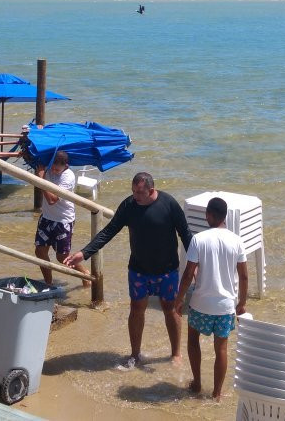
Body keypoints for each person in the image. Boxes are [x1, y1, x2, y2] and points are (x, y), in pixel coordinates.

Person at [64, 171, 192, 369]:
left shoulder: (169, 204)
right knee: (136, 309)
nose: (135, 197)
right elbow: (109, 231)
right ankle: (135, 354)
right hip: (138, 270)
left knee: (171, 309)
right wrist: (84, 253)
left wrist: (196, 264)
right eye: (133, 192)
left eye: (139, 193)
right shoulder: (129, 206)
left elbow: (186, 235)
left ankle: (176, 354)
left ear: (151, 190)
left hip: (167, 270)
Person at [175, 196, 247, 400]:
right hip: (225, 307)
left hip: (200, 304)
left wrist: (179, 300)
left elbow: (189, 274)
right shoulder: (236, 240)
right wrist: (241, 302)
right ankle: (216, 393)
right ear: (225, 216)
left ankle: (197, 383)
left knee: (193, 340)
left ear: (209, 215)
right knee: (221, 348)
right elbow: (243, 275)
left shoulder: (199, 239)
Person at [32, 150, 86, 286]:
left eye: (58, 167)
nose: (54, 170)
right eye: (53, 166)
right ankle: (48, 283)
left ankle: (86, 276)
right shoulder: (48, 169)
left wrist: (41, 179)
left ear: (66, 166)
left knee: (62, 257)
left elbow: (51, 200)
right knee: (40, 252)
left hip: (63, 220)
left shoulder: (68, 177)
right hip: (46, 218)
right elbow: (35, 161)